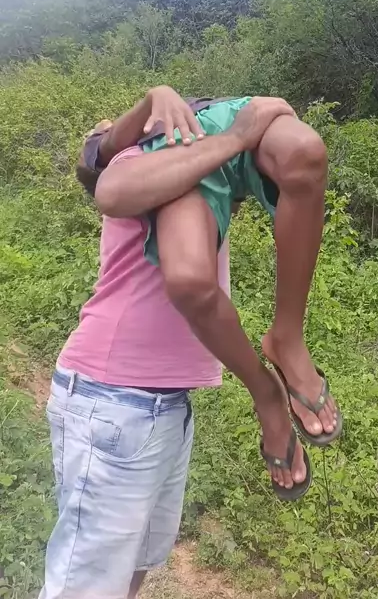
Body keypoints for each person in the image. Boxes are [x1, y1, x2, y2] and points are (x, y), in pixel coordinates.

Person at [40, 89, 316, 599]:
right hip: (112, 400)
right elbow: (112, 187)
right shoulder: (136, 160)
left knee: (132, 572)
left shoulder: (192, 173)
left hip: (161, 406)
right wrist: (236, 136)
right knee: (85, 588)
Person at [95, 92, 343, 503]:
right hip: (178, 161)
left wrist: (161, 98)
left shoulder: (197, 108)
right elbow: (107, 171)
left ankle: (288, 338)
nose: (107, 125)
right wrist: (152, 101)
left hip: (223, 120)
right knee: (188, 279)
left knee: (306, 152)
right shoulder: (124, 153)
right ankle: (266, 394)